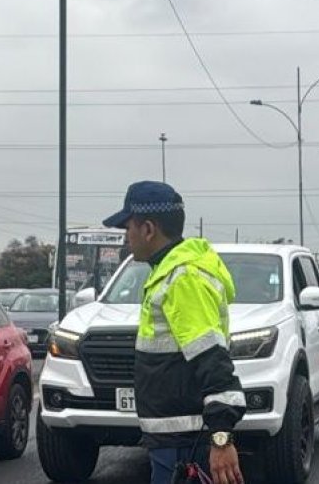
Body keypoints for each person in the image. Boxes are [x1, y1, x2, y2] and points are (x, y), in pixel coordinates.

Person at [103, 181, 246, 484]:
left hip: (186, 445)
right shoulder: (168, 272)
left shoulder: (183, 278)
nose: (126, 237)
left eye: (128, 228)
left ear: (149, 229)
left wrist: (221, 439)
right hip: (173, 440)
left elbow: (212, 360)